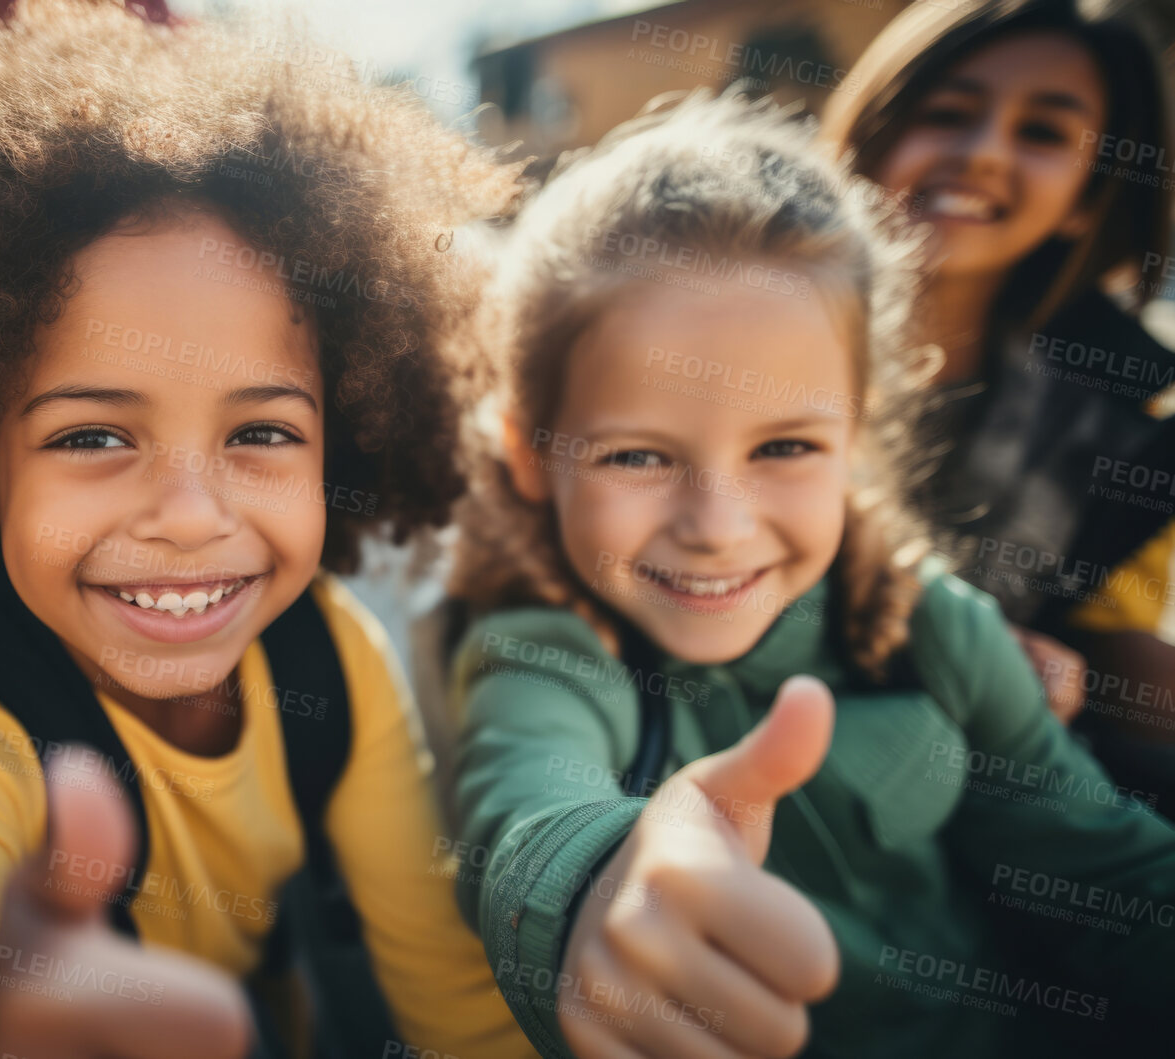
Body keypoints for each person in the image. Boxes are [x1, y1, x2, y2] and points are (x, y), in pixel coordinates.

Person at [0, 3, 536, 1056]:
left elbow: (456, 1002)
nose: (187, 515)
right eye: (90, 437)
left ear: (341, 438)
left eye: (260, 431)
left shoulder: (333, 658)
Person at [448, 91, 1175, 1059]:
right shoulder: (544, 653)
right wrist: (590, 889)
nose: (716, 526)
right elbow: (527, 799)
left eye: (783, 446)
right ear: (529, 453)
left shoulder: (935, 629)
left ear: (855, 432)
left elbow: (1109, 879)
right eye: (635, 456)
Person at [821, 0, 1175, 747]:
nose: (983, 153)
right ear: (870, 128)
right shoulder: (723, 329)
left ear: (1086, 198)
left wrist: (1047, 670)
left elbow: (1114, 657)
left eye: (1042, 132)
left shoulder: (1125, 431)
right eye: (947, 112)